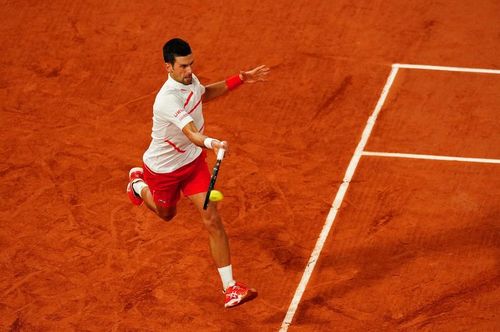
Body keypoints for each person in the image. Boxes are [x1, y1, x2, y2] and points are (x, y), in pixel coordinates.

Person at [126, 38, 269, 308]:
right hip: (163, 170)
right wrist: (212, 142)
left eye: (191, 64)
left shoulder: (189, 80)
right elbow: (191, 132)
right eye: (183, 66)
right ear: (168, 67)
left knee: (212, 218)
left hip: (192, 164)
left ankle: (230, 287)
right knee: (166, 214)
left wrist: (240, 78)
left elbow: (204, 93)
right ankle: (136, 184)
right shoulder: (166, 100)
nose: (189, 70)